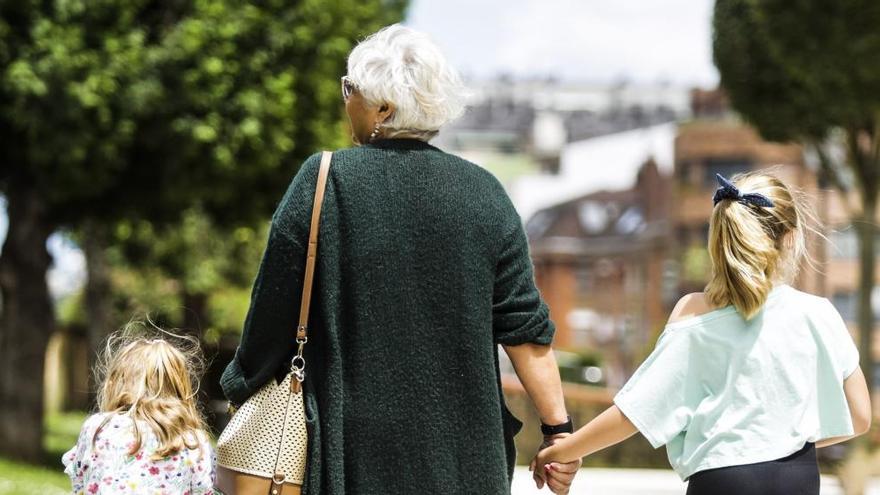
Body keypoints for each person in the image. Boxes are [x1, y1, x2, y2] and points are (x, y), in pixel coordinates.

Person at [220, 24, 580, 494]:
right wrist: (557, 430)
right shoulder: (486, 195)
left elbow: (271, 316)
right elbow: (526, 331)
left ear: (382, 109)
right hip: (466, 462)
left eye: (350, 88)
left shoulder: (324, 181)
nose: (344, 99)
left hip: (353, 453)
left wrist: (240, 387)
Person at [532, 172, 872, 495]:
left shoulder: (693, 312)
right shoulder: (819, 313)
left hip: (723, 479)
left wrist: (560, 451)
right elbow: (859, 416)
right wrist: (783, 439)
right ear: (791, 239)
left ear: (722, 238)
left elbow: (636, 412)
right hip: (796, 476)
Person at [63, 323, 216, 494]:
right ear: (181, 389)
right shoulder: (194, 441)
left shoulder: (98, 427)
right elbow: (204, 490)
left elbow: (80, 483)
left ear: (114, 384)